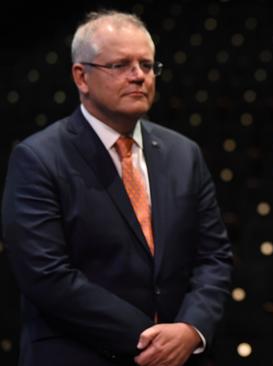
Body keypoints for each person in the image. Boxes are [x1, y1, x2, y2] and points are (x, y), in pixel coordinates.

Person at [1, 10, 232, 366]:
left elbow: (213, 257)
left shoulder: (184, 153)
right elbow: (46, 275)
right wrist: (151, 338)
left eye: (147, 64)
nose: (139, 76)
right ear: (82, 76)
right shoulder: (38, 158)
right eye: (121, 65)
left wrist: (190, 328)